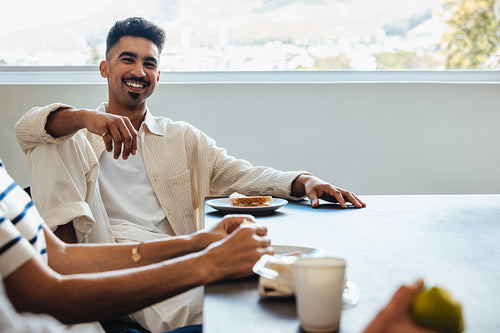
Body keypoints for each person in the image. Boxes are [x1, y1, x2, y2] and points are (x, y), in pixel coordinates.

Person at [15, 17, 366, 332]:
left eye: (149, 63)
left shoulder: (182, 138)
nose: (139, 70)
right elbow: (28, 129)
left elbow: (241, 174)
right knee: (51, 136)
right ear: (104, 69)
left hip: (166, 253)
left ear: (157, 76)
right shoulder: (75, 136)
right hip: (101, 251)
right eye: (128, 59)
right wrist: (84, 119)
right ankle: (62, 269)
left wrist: (304, 181)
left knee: (259, 297)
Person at [0, 158, 271, 333]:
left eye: (148, 64)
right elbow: (45, 298)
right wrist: (210, 263)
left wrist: (197, 241)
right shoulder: (80, 139)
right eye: (128, 62)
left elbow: (62, 257)